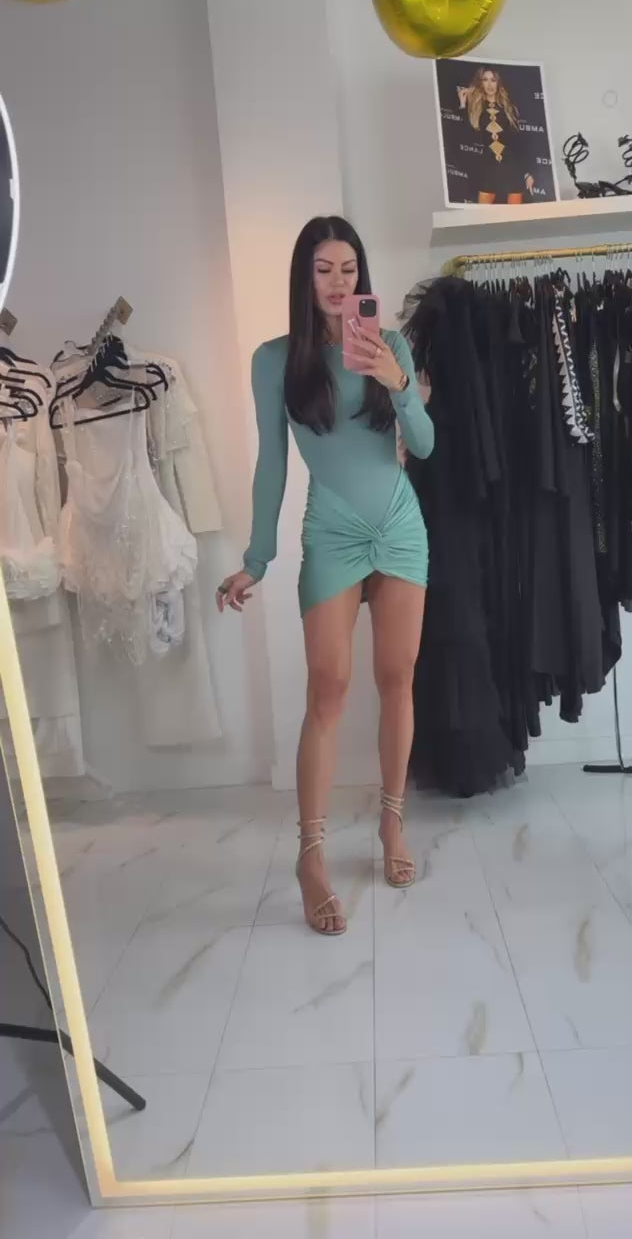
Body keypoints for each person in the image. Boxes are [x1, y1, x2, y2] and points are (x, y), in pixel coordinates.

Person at [217, 217, 434, 936]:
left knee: (398, 678)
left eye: (349, 269)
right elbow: (272, 463)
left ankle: (391, 824)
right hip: (332, 533)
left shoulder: (390, 344)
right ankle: (310, 857)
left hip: (399, 526)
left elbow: (425, 445)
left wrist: (398, 383)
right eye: (324, 270)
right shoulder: (276, 360)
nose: (340, 283)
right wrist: (256, 559)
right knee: (328, 689)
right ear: (303, 279)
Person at [457, 66, 535, 204]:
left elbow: (519, 143)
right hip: (488, 167)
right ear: (480, 83)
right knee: (483, 215)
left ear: (498, 82)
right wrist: (463, 105)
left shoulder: (508, 108)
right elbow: (468, 135)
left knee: (514, 215)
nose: (489, 84)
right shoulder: (476, 107)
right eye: (485, 80)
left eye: (493, 80)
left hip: (512, 167)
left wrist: (527, 173)